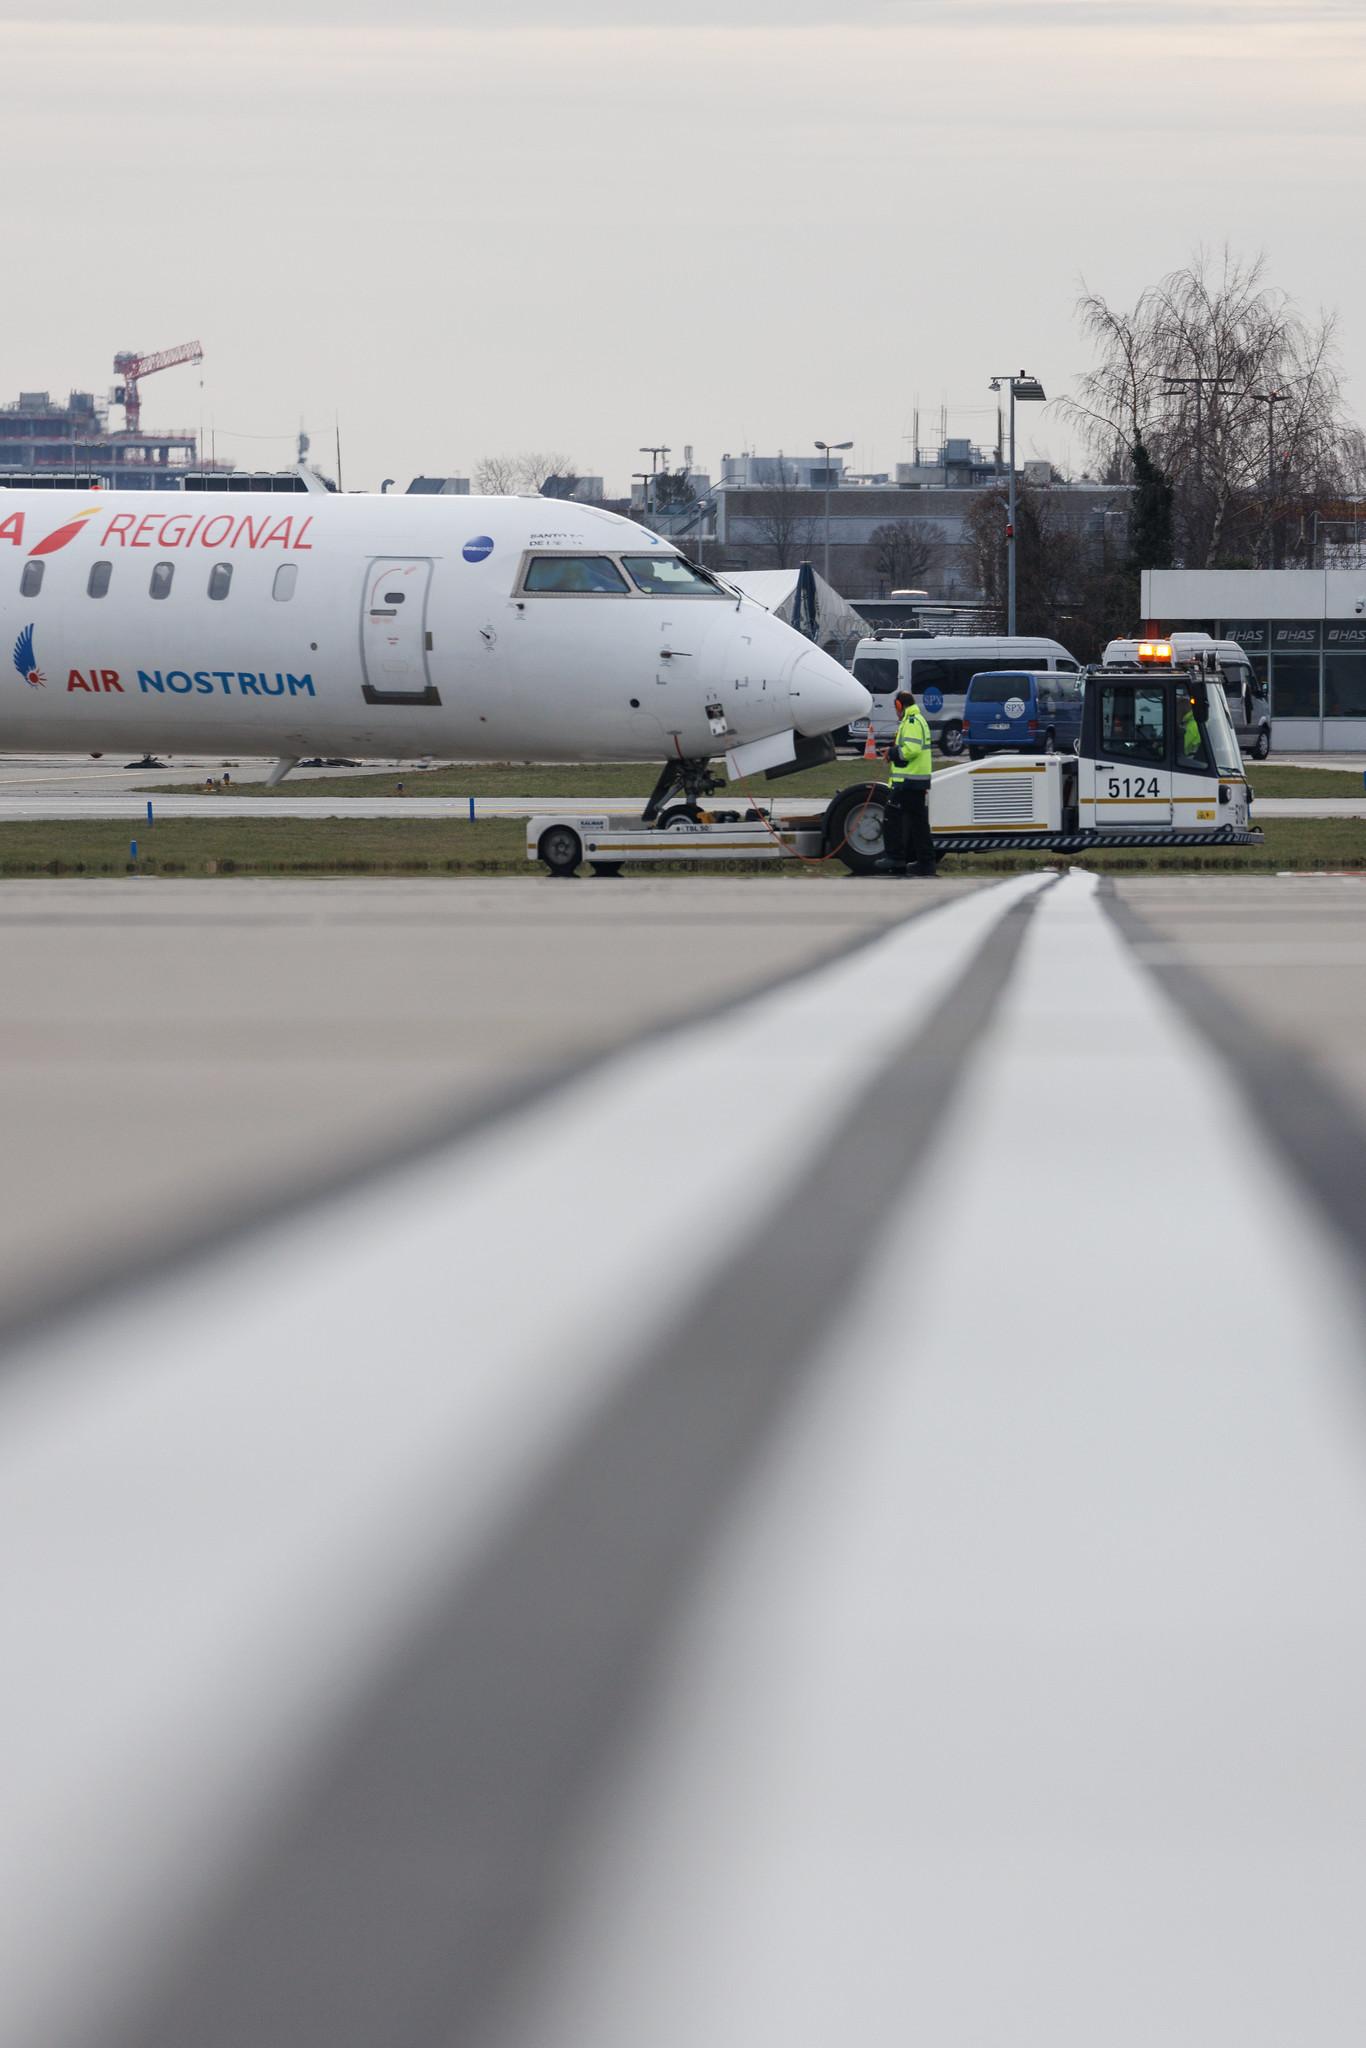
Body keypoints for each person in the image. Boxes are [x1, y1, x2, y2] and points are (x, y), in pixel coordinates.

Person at [877, 686, 937, 877]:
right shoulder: (917, 720)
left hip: (908, 782)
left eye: (896, 707)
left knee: (891, 816)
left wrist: (892, 753)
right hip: (916, 782)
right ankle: (926, 864)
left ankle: (895, 857)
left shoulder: (911, 721)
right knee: (919, 824)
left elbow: (911, 749)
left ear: (899, 705)